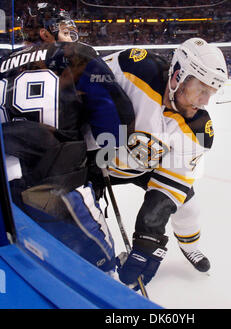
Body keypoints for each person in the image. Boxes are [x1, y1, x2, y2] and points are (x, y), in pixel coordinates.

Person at [0, 3, 135, 274]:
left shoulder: (1, 64)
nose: (72, 36)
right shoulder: (76, 56)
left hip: (5, 189)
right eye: (64, 30)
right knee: (97, 272)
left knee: (24, 266)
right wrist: (102, 155)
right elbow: (116, 118)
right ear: (45, 33)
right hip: (55, 186)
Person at [97, 38, 228, 289]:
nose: (205, 101)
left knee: (188, 207)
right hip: (93, 161)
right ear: (179, 75)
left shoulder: (199, 127)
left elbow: (172, 182)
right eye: (201, 89)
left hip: (142, 166)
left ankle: (191, 246)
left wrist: (150, 235)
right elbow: (84, 84)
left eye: (210, 93)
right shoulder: (135, 67)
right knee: (92, 232)